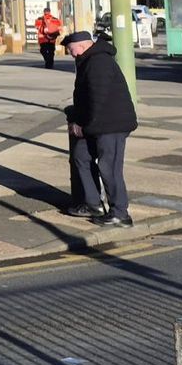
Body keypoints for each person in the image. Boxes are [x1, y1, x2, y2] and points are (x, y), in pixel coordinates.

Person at [61, 28, 136, 226]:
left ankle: (120, 213)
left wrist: (83, 127)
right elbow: (86, 99)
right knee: (81, 157)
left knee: (109, 168)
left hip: (110, 125)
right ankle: (92, 203)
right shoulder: (88, 61)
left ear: (83, 46)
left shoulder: (98, 62)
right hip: (97, 124)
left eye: (71, 49)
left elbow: (98, 100)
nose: (70, 53)